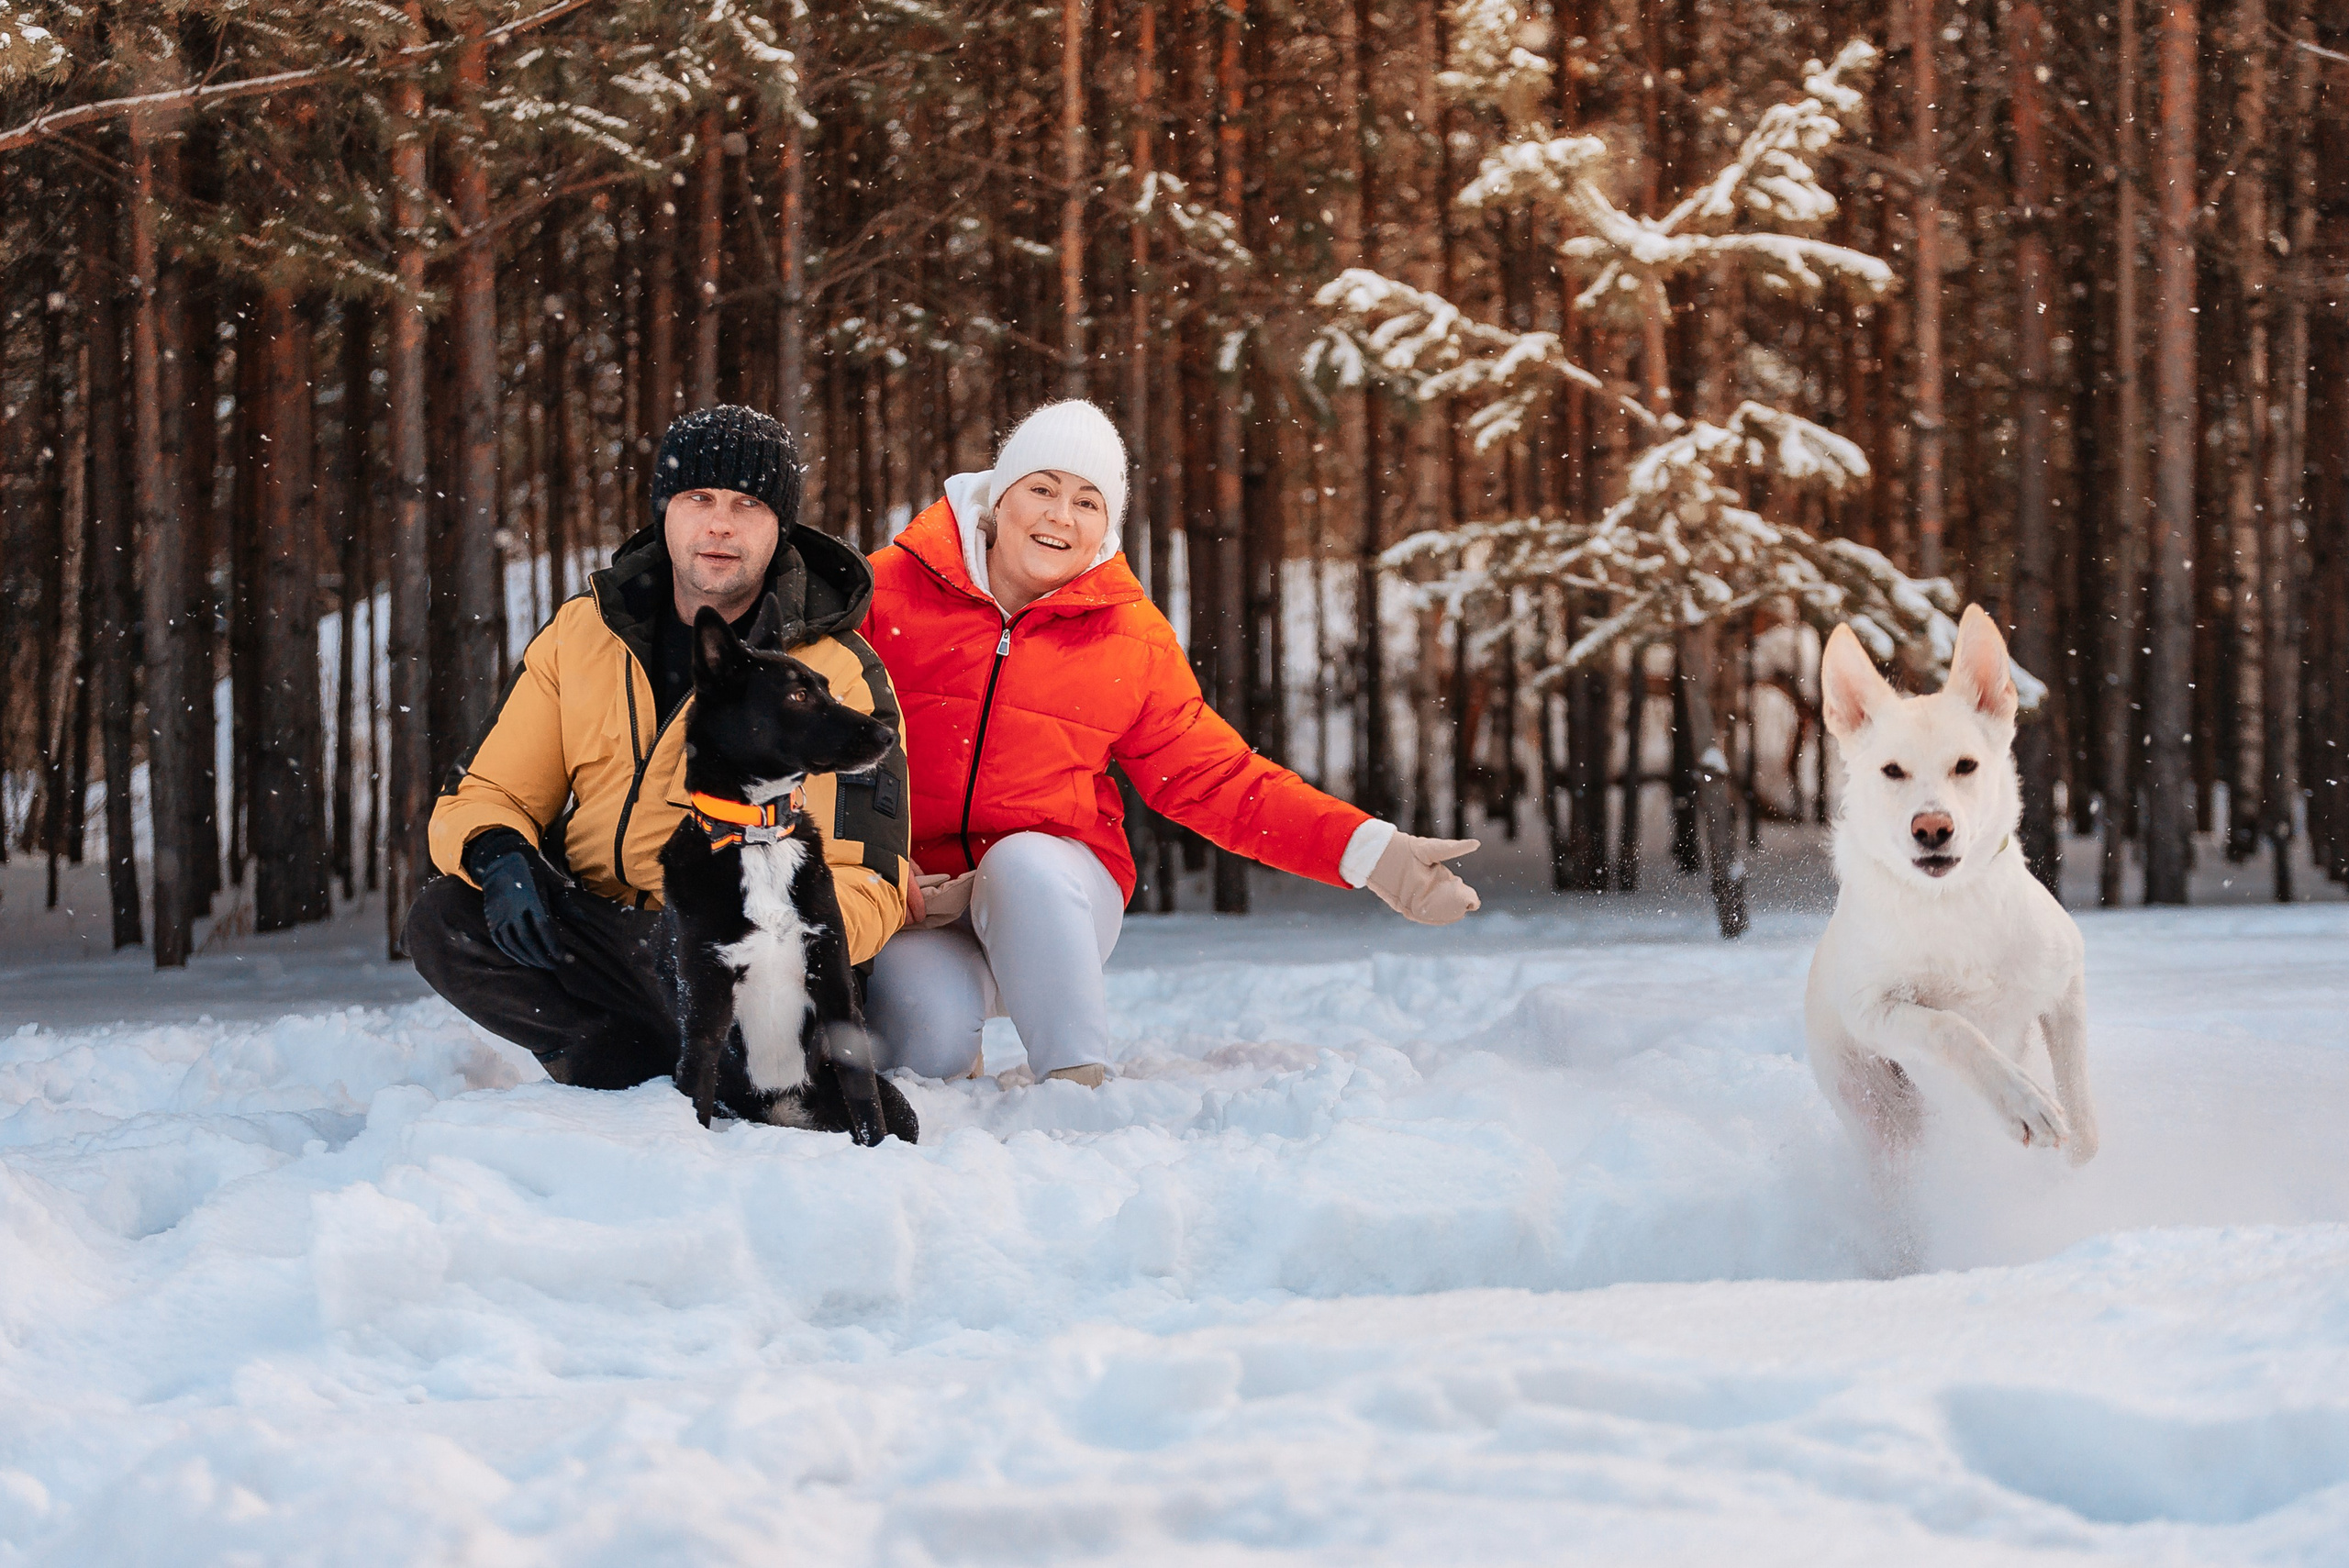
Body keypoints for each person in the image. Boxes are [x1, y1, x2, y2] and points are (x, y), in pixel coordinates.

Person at [861, 399, 1479, 1088]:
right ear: (1000, 496)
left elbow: (1218, 780)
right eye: (1042, 488)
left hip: (1058, 896)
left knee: (1023, 863)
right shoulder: (884, 592)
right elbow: (811, 741)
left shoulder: (1130, 638)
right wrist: (867, 853)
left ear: (1106, 526)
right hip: (913, 899)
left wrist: (1371, 852)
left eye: (1087, 502)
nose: (1060, 516)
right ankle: (955, 1041)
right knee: (923, 1046)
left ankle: (1077, 1081)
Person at [407, 405, 911, 1088]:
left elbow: (869, 879)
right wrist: (498, 855)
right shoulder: (585, 632)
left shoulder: (835, 671)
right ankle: (616, 1056)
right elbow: (491, 789)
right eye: (699, 498)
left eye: (748, 504)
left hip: (752, 955)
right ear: (664, 511)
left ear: (781, 526)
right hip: (611, 937)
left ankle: (714, 1065)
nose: (720, 524)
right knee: (445, 918)